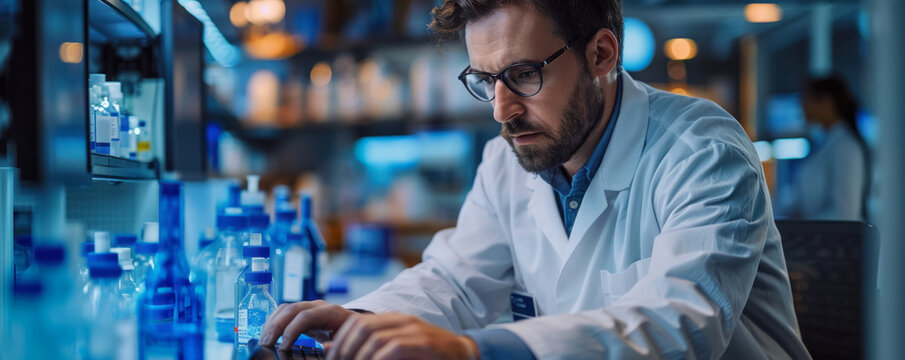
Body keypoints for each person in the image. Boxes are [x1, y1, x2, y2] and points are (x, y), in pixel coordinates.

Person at [261, 1, 811, 358]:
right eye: (485, 80)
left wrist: (474, 353)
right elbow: (455, 280)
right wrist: (362, 320)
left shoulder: (702, 152)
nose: (502, 110)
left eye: (523, 75)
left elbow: (679, 327)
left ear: (601, 54)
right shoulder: (509, 158)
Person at [780, 76, 869, 221]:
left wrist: (803, 227)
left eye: (807, 98)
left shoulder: (846, 147)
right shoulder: (824, 143)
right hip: (819, 238)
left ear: (827, 101)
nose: (801, 105)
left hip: (834, 241)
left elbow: (845, 214)